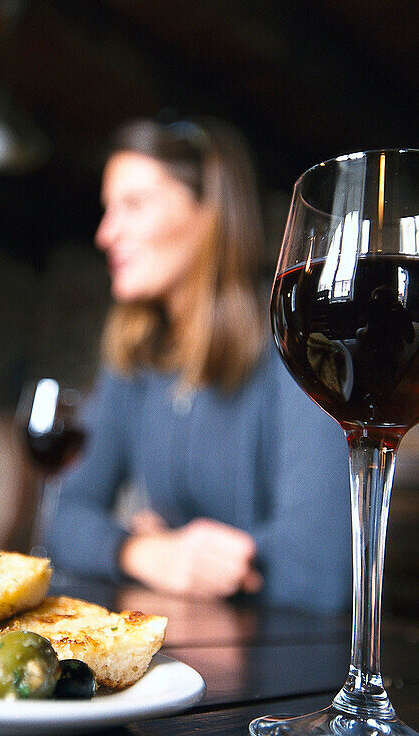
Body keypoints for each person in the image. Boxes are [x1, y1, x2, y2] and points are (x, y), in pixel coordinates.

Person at [42, 117, 351, 611]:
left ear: (211, 213)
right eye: (107, 210)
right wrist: (145, 551)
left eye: (133, 205)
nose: (105, 234)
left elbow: (317, 571)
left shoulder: (295, 348)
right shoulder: (133, 360)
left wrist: (179, 556)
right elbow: (63, 518)